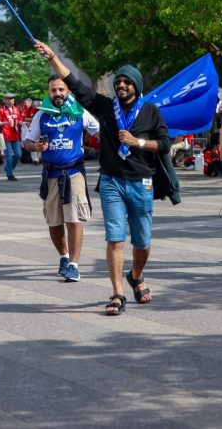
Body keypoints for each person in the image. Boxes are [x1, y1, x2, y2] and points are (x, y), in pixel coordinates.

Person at [35, 41, 170, 316]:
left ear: (136, 86)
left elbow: (165, 144)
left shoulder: (151, 112)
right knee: (115, 238)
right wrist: (52, 57)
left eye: (126, 82)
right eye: (118, 82)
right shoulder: (106, 107)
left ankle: (136, 275)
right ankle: (118, 293)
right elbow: (75, 83)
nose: (121, 86)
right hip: (111, 181)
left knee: (142, 243)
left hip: (141, 182)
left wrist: (138, 142)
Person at [23, 74, 100, 282]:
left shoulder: (79, 112)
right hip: (51, 174)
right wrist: (35, 147)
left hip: (73, 172)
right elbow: (27, 142)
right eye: (53, 90)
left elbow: (100, 131)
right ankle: (64, 257)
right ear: (48, 92)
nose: (57, 94)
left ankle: (74, 265)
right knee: (54, 221)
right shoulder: (42, 115)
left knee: (74, 219)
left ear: (68, 91)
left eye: (61, 90)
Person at [0, 93, 22, 180]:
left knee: (18, 154)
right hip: (6, 135)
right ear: (6, 100)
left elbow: (19, 119)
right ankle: (10, 174)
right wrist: (6, 123)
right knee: (8, 155)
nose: (12, 100)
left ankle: (9, 168)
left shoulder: (16, 109)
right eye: (10, 99)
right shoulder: (2, 110)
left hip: (15, 135)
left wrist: (20, 123)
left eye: (13, 99)